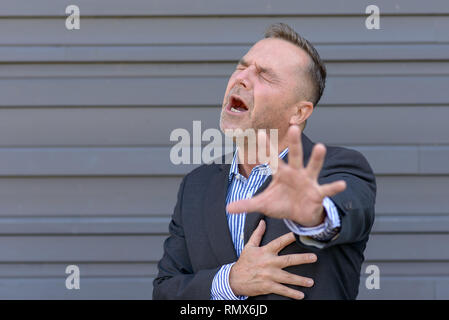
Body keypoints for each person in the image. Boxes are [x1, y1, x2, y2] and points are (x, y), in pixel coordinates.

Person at [153, 23, 376, 300]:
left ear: (299, 112)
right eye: (242, 66)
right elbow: (165, 291)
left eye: (265, 76)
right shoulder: (195, 186)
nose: (242, 78)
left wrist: (313, 214)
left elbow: (346, 212)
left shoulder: (342, 168)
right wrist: (230, 281)